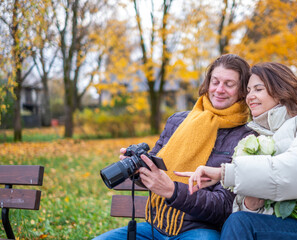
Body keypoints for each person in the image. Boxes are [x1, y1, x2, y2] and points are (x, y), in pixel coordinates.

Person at [176, 62, 297, 239]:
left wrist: (225, 173)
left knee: (241, 224)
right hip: (284, 226)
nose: (250, 96)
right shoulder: (258, 139)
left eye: (258, 89)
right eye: (248, 91)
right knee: (240, 220)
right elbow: (250, 211)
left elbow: (294, 173)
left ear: (281, 91)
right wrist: (252, 204)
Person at [93, 54, 255, 240]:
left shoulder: (246, 136)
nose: (219, 89)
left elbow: (225, 206)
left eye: (229, 84)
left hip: (200, 231)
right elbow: (155, 172)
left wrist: (172, 190)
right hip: (155, 227)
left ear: (242, 90)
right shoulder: (177, 121)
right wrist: (138, 169)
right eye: (215, 81)